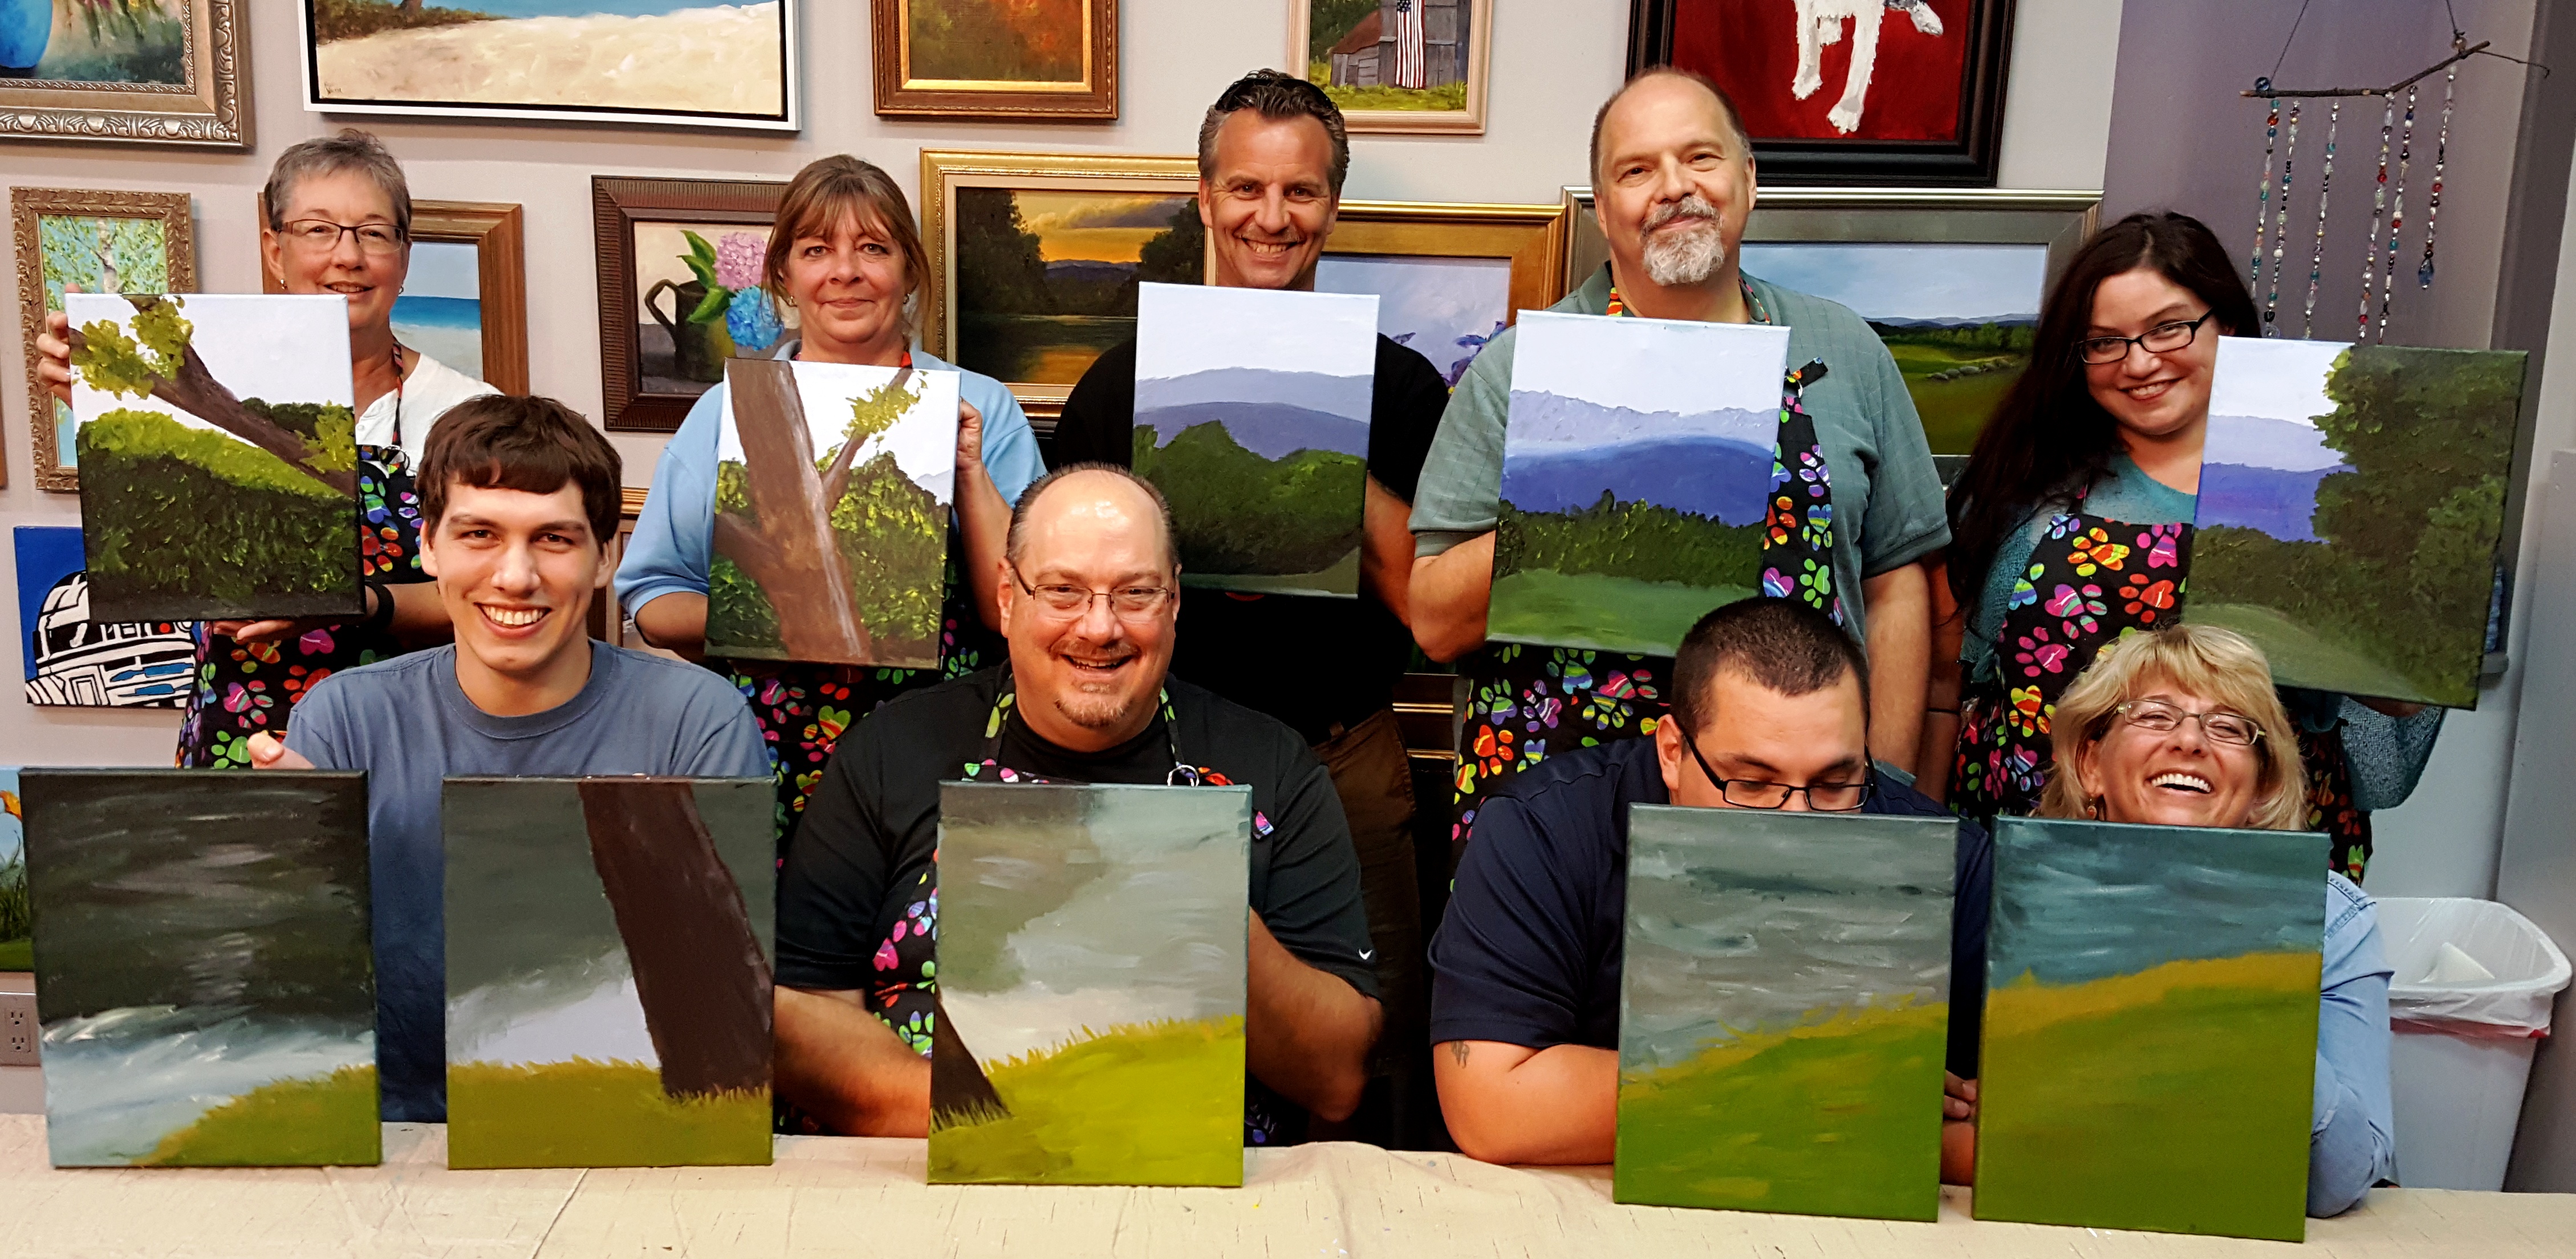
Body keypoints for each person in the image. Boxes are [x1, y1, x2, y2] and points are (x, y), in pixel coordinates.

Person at [1407, 67, 1949, 853]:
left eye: (1700, 157)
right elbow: (1433, 622)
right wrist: (1589, 487)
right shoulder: (1516, 367)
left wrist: (1882, 788)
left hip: (1800, 803)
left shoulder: (1845, 348)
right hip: (1560, 807)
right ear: (1603, 210)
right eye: (1637, 170)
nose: (1673, 187)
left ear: (1748, 179)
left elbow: (1894, 582)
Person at [1046, 68, 1449, 1124]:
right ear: (1204, 195)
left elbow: (1429, 608)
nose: (1272, 217)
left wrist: (1311, 419)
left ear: (1331, 204)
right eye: (1245, 188)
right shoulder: (1118, 385)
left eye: (1300, 191)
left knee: (1373, 1071)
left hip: (1343, 757)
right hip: (1150, 761)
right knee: (1133, 1045)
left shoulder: (1404, 389)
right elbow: (1065, 598)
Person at [771, 465, 1382, 1144]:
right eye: (1063, 591)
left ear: (1175, 600)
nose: (1099, 627)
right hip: (931, 1163)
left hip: (1197, 1179)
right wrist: (1000, 1116)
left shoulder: (1271, 765)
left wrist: (1208, 913)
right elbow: (800, 1015)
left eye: (1136, 593)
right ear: (1008, 597)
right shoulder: (893, 751)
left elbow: (1338, 1077)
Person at [247, 395, 770, 1123]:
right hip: (396, 1126)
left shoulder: (697, 721)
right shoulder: (345, 718)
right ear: (430, 548)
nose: (515, 576)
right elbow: (292, 1006)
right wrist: (276, 884)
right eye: (479, 535)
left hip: (632, 1125)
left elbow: (723, 999)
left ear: (605, 557)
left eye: (554, 538)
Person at [1931, 211, 2441, 879]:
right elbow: (1950, 678)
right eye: (2105, 342)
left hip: (2254, 858)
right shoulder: (2019, 484)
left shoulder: (2324, 484)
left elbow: (2399, 697)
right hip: (2039, 847)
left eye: (2168, 328)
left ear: (2226, 326)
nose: (2140, 362)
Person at [1427, 598, 1986, 1166]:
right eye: (1753, 783)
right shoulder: (1547, 830)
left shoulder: (1947, 861)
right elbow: (1490, 1105)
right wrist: (1816, 1088)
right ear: (1673, 752)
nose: (1797, 823)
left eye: (1833, 784)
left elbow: (2014, 1132)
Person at [35, 129, 496, 769]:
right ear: (275, 250)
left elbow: (490, 594)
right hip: (235, 727)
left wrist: (354, 604)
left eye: (373, 233)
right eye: (318, 230)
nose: (348, 256)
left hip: (404, 733)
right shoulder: (198, 399)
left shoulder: (467, 411)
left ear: (404, 256)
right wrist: (103, 408)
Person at [617, 154, 1046, 832]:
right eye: (817, 250)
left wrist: (967, 467)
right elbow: (653, 601)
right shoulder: (727, 412)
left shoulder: (982, 406)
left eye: (873, 248)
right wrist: (780, 616)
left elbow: (1020, 606)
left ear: (909, 271)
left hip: (943, 739)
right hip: (766, 746)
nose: (845, 271)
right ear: (784, 275)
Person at [1985, 624, 2392, 1216]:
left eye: (2228, 727)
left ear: (2261, 787)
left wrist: (2236, 961)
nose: (2190, 741)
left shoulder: (2337, 921)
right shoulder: (2009, 899)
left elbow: (2341, 1180)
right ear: (2092, 762)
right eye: (2155, 716)